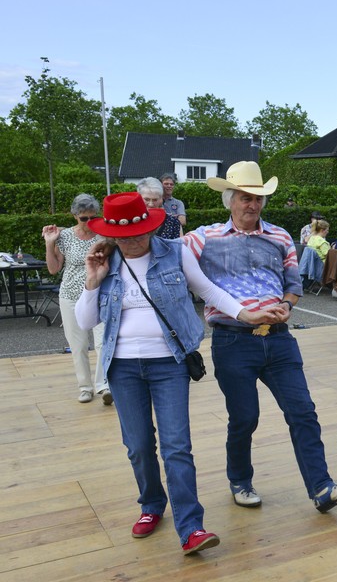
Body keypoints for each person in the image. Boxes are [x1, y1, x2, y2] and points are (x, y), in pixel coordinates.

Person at [75, 192, 278, 555]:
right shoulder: (104, 261)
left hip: (169, 363)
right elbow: (86, 322)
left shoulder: (175, 252)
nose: (132, 241)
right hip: (121, 367)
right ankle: (152, 504)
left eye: (139, 233)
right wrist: (92, 280)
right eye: (123, 236)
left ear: (149, 226)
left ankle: (191, 527)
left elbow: (208, 289)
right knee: (137, 447)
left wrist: (246, 314)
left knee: (176, 447)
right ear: (112, 235)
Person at [182, 161, 337, 514]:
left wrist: (285, 306)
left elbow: (293, 286)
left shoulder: (279, 236)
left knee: (303, 412)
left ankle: (322, 488)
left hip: (278, 337)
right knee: (245, 418)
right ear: (230, 200)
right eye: (246, 198)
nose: (253, 205)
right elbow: (161, 253)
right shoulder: (203, 237)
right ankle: (240, 480)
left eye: (258, 198)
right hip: (233, 341)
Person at [41, 194, 108, 404]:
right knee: (77, 344)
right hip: (70, 293)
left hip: (98, 292)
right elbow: (53, 269)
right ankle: (85, 387)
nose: (89, 222)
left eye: (92, 217)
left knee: (103, 341)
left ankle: (104, 384)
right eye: (84, 218)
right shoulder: (65, 236)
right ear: (74, 216)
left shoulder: (104, 235)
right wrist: (50, 244)